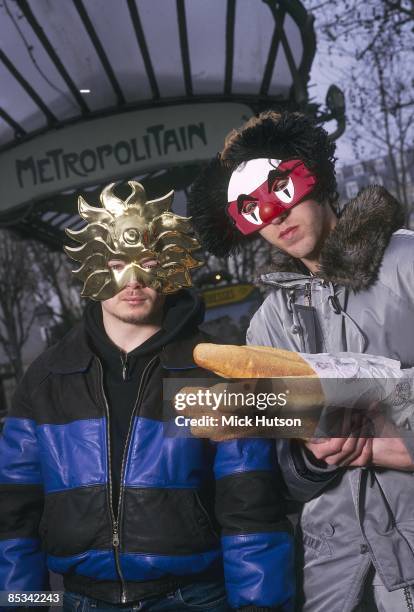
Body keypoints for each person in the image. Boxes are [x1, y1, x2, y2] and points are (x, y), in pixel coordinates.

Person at [0, 181, 295, 611]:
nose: (133, 280)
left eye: (149, 261)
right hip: (80, 598)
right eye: (117, 261)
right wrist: (24, 606)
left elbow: (251, 508)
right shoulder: (47, 379)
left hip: (195, 598)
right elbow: (13, 517)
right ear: (92, 266)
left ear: (171, 265)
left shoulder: (213, 372)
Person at [188, 111, 414, 611]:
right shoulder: (266, 325)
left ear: (315, 177)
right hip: (334, 576)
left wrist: (392, 434)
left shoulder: (407, 265)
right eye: (254, 210)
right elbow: (280, 474)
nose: (275, 217)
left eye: (280, 190)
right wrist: (311, 458)